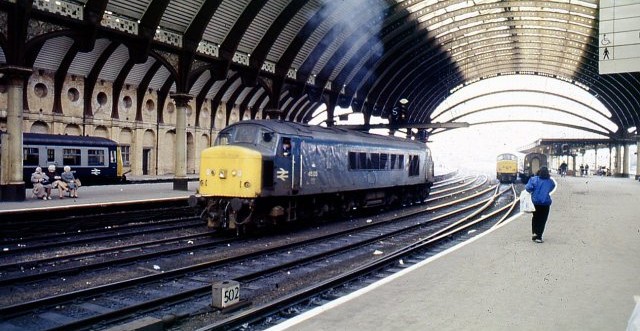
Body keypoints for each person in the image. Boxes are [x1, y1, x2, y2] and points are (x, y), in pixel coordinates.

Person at [525, 166, 556, 243]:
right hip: (545, 203)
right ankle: (539, 236)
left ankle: (534, 233)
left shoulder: (534, 179)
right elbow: (552, 187)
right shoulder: (550, 181)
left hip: (535, 202)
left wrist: (533, 191)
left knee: (535, 218)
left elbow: (528, 188)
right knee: (542, 220)